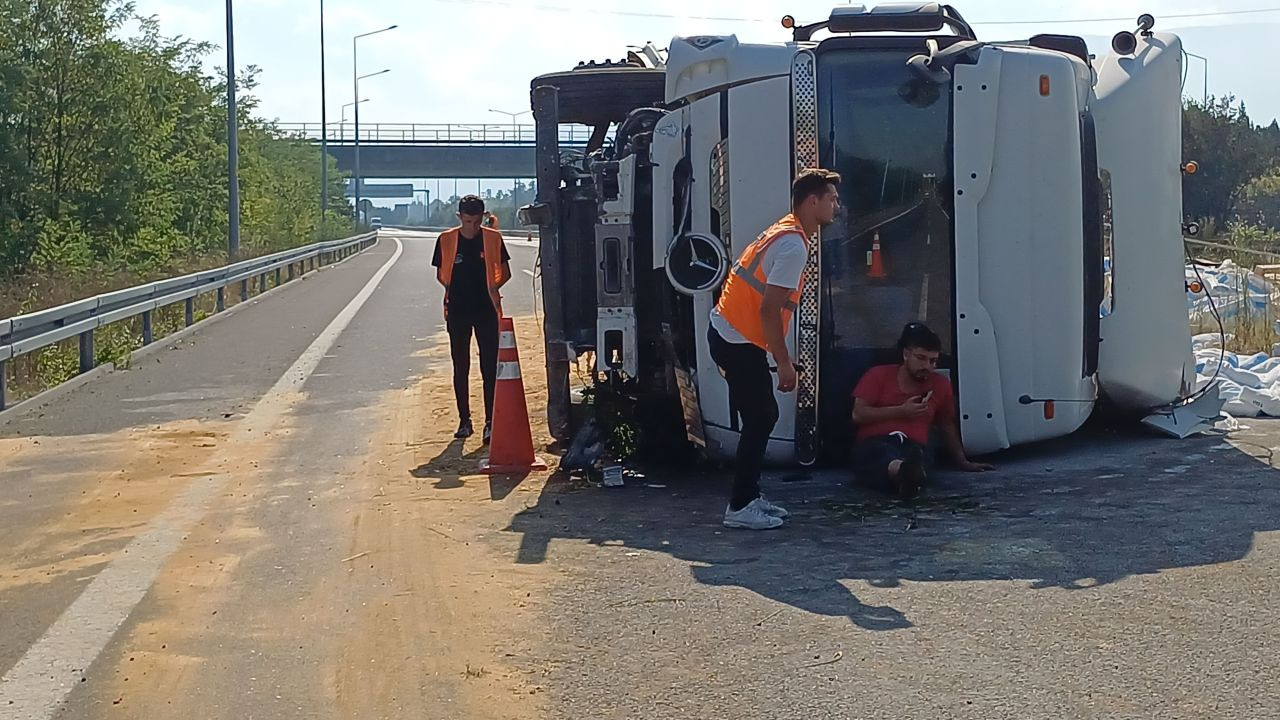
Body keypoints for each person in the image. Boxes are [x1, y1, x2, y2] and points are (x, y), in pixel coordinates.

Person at [709, 168, 842, 530]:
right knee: (761, 417)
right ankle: (740, 506)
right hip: (737, 340)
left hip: (731, 334)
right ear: (811, 201)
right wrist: (783, 363)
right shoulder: (793, 244)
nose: (836, 205)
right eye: (831, 198)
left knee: (761, 415)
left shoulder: (787, 230)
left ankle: (748, 496)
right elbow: (769, 309)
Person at [851, 322, 994, 500]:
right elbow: (859, 414)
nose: (927, 366)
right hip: (877, 440)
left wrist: (962, 460)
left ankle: (908, 474)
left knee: (919, 457)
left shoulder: (940, 385)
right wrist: (901, 411)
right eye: (921, 358)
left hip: (915, 444)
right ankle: (904, 473)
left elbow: (945, 424)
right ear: (905, 355)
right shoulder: (878, 375)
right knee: (880, 455)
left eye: (933, 361)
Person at [432, 195, 513, 443]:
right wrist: (458, 292)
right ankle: (464, 420)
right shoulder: (445, 240)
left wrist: (490, 289)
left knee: (489, 367)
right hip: (457, 311)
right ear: (459, 218)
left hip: (486, 311)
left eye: (477, 221)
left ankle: (491, 421)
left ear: (483, 217)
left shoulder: (493, 238)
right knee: (461, 366)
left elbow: (505, 272)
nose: (473, 227)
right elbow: (442, 275)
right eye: (468, 221)